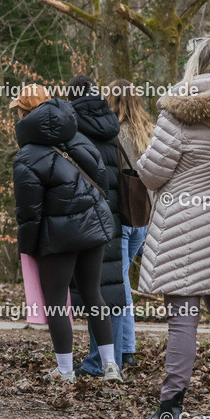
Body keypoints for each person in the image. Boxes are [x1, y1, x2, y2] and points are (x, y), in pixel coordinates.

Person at [131, 39, 210, 419]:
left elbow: (151, 173)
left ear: (194, 68)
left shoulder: (177, 113)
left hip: (182, 223)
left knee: (183, 316)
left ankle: (171, 406)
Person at [11, 83, 121, 385]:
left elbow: (29, 211)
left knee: (57, 299)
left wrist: (29, 247)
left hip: (59, 237)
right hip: (94, 227)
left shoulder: (26, 157)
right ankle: (111, 367)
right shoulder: (78, 137)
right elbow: (101, 179)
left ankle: (65, 370)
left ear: (24, 114)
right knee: (93, 293)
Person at [65, 76, 128, 378]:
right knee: (111, 291)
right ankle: (109, 359)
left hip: (83, 215)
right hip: (112, 216)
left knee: (90, 290)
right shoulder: (111, 124)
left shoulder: (69, 126)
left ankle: (94, 362)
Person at [107, 79, 155, 368]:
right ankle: (125, 348)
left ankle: (126, 349)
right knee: (123, 279)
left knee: (121, 283)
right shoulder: (150, 130)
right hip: (144, 216)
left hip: (121, 215)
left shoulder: (112, 132)